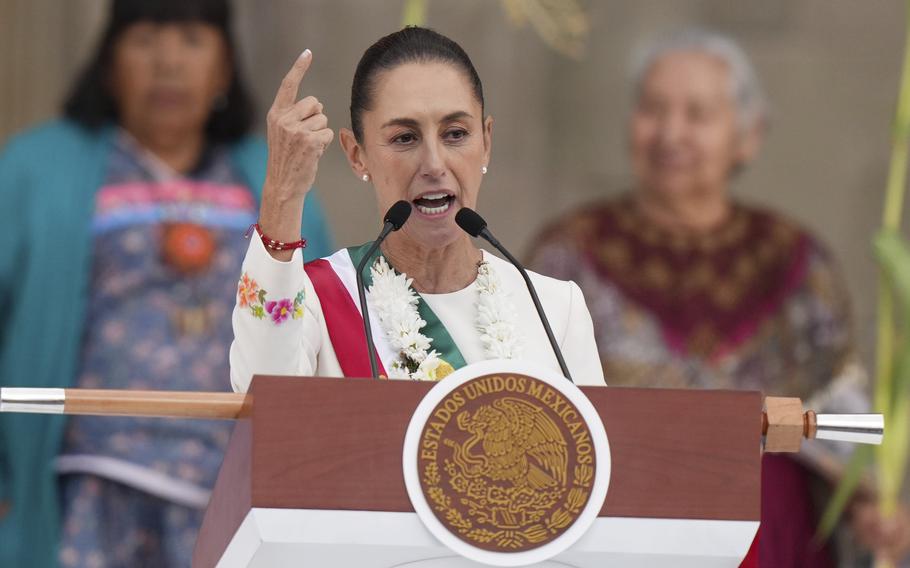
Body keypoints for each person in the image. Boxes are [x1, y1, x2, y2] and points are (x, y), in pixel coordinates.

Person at [527, 28, 908, 566]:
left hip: (770, 534)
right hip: (614, 525)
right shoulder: (567, 253)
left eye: (697, 115)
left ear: (748, 136)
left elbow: (840, 413)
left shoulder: (795, 260)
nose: (670, 133)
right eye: (653, 109)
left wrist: (871, 501)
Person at [0, 1, 332, 566]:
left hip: (235, 496)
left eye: (191, 39)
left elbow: (321, 331)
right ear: (108, 62)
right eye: (146, 38)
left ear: (226, 68)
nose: (168, 62)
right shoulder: (34, 167)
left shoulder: (271, 172)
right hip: (86, 486)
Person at [229, 27, 605, 401]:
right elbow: (261, 398)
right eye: (405, 138)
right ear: (356, 154)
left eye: (456, 134)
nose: (434, 164)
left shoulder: (555, 308)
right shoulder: (319, 298)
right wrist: (283, 192)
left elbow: (598, 453)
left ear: (486, 143)